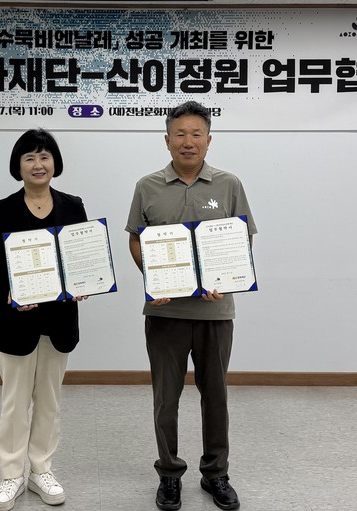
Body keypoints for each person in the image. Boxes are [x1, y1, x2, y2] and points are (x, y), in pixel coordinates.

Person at [125, 101, 257, 511]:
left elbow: (243, 239)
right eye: (180, 134)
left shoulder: (229, 184)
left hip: (215, 313)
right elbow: (136, 239)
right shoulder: (147, 186)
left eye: (196, 134)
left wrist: (226, 277)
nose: (188, 141)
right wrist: (153, 276)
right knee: (166, 399)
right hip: (165, 312)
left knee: (215, 396)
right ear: (167, 140)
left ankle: (216, 473)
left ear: (208, 140)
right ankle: (169, 474)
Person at [0, 129, 88, 511]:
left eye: (44, 156)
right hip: (17, 319)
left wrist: (83, 282)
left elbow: (81, 254)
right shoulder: (2, 210)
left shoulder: (73, 206)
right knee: (14, 402)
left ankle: (41, 469)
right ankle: (11, 474)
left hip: (59, 319)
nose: (38, 164)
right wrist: (10, 289)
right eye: (29, 158)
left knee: (49, 401)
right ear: (19, 166)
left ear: (54, 162)